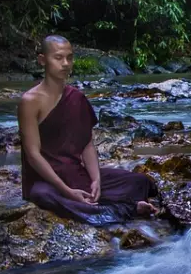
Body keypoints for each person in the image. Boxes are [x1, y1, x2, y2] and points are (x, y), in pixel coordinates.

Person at [18, 35, 158, 225]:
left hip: (75, 173)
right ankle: (127, 209)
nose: (66, 63)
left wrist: (96, 180)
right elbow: (33, 155)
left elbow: (87, 145)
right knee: (44, 196)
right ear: (42, 60)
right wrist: (67, 191)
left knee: (139, 181)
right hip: (46, 181)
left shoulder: (77, 97)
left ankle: (97, 201)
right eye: (58, 58)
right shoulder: (30, 101)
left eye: (70, 57)